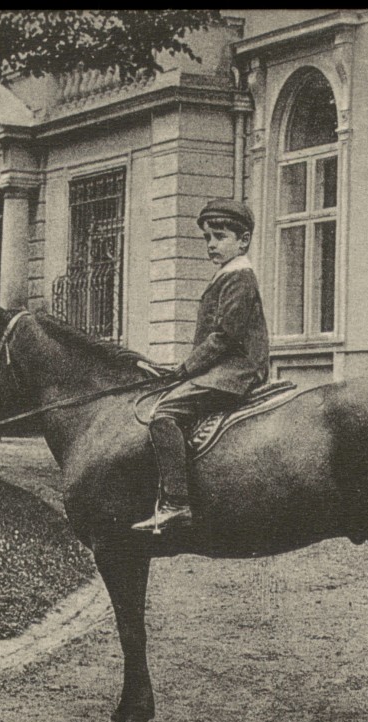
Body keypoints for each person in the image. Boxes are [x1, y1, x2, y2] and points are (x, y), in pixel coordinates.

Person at [132, 199, 270, 533]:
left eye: (219, 236)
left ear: (243, 240)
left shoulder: (240, 277)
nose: (211, 245)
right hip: (223, 367)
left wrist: (184, 370)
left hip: (239, 369)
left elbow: (224, 336)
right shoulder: (227, 275)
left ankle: (176, 503)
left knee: (163, 415)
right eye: (207, 238)